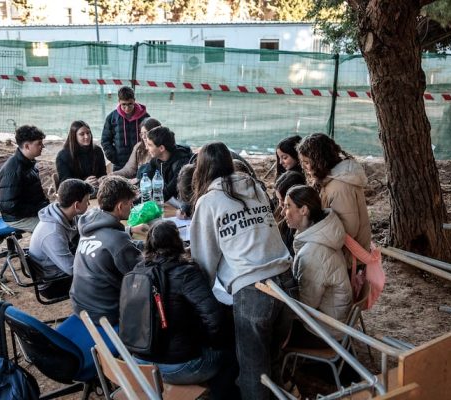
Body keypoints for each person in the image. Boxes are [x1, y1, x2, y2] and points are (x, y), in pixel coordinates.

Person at [189, 142, 297, 400]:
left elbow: (203, 258)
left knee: (252, 371)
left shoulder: (209, 201)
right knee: (272, 359)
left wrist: (202, 297)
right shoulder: (256, 188)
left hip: (255, 289)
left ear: (201, 169)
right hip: (286, 278)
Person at [126, 221, 225, 386]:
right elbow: (215, 319)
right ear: (177, 241)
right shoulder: (187, 272)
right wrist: (211, 343)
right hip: (178, 367)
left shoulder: (137, 269)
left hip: (139, 362)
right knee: (230, 355)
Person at [70, 176, 148, 324]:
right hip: (105, 313)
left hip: (80, 305)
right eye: (130, 204)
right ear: (120, 206)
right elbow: (143, 273)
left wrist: (143, 245)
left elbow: (119, 244)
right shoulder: (118, 241)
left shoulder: (90, 224)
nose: (132, 208)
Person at [282, 185, 352, 347]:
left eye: (287, 206)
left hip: (325, 332)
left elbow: (306, 306)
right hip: (334, 321)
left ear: (303, 210)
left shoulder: (313, 253)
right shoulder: (321, 234)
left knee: (269, 330)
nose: (283, 212)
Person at [297, 133, 371, 258]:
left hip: (348, 256)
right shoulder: (331, 179)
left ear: (319, 160)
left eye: (307, 162)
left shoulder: (340, 187)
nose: (305, 167)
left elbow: (348, 230)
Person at [28, 179, 93, 299]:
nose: (89, 205)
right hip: (54, 283)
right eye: (87, 201)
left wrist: (128, 230)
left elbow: (90, 226)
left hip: (60, 267)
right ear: (77, 205)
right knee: (106, 277)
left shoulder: (63, 213)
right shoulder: (52, 233)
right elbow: (73, 270)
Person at [0, 125, 50, 232]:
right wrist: (39, 209)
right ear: (27, 146)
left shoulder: (28, 162)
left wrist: (46, 207)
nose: (42, 146)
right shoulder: (13, 171)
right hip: (16, 218)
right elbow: (10, 207)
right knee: (54, 227)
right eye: (39, 143)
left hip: (30, 212)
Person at [102, 86, 150, 171]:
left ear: (134, 100)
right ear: (119, 101)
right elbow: (105, 140)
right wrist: (113, 157)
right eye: (123, 104)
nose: (127, 108)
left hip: (141, 162)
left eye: (130, 104)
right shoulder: (112, 118)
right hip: (119, 164)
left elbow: (152, 138)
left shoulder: (145, 117)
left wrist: (147, 156)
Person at [142, 126, 193, 203]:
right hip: (168, 199)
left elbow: (170, 191)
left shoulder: (181, 164)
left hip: (184, 204)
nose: (147, 148)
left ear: (161, 148)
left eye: (150, 145)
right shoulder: (156, 160)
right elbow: (146, 179)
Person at [55, 121, 106, 189]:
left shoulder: (97, 150)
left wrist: (101, 179)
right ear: (74, 136)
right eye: (82, 134)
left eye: (88, 133)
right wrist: (84, 183)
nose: (87, 136)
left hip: (96, 189)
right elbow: (65, 184)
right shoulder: (63, 156)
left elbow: (103, 173)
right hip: (76, 192)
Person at [274, 171, 306, 256]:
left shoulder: (297, 224)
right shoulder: (280, 212)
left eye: (283, 201)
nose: (280, 205)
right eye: (278, 200)